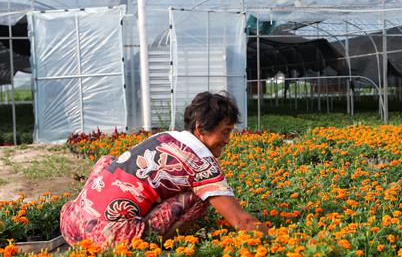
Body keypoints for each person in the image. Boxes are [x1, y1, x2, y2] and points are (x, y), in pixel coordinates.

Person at [61, 91, 267, 248]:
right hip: (111, 238)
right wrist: (277, 243)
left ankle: (89, 213)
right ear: (201, 128)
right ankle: (158, 245)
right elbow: (241, 220)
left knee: (108, 160)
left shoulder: (164, 138)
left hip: (71, 224)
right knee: (198, 197)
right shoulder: (201, 163)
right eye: (225, 132)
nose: (227, 140)